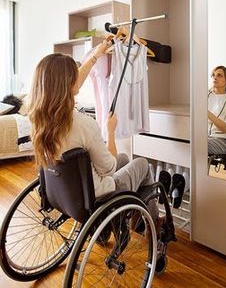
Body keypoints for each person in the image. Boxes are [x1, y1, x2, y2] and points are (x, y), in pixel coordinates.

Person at [28, 41, 163, 234]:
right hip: (96, 195)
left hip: (63, 192)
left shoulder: (38, 119)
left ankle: (123, 221)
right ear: (68, 83)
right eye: (75, 74)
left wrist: (96, 55)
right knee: (141, 164)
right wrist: (110, 132)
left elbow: (68, 84)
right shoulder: (84, 124)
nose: (79, 78)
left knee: (124, 159)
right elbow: (108, 169)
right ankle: (153, 223)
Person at [208, 65, 226, 155]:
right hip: (204, 137)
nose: (215, 77)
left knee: (196, 145)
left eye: (219, 75)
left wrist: (206, 112)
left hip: (223, 140)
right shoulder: (205, 96)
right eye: (213, 75)